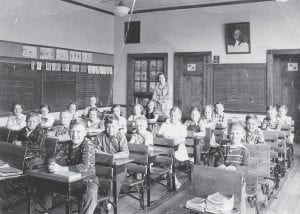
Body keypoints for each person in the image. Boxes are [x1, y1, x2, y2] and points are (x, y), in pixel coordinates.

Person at [47, 120, 98, 214]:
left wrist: (60, 169)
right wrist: (51, 164)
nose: (75, 135)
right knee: (45, 184)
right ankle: (45, 210)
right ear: (69, 132)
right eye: (72, 131)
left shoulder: (88, 144)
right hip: (71, 180)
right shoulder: (68, 144)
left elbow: (85, 167)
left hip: (88, 180)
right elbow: (54, 157)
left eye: (78, 132)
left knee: (91, 193)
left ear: (85, 133)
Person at [94, 115, 129, 200]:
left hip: (119, 167)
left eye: (113, 126)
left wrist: (113, 156)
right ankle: (102, 199)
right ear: (104, 126)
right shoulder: (100, 136)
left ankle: (111, 199)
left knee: (114, 184)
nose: (110, 129)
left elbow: (125, 152)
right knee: (97, 181)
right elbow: (95, 150)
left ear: (118, 126)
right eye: (108, 127)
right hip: (104, 166)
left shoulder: (121, 136)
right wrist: (106, 156)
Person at [157, 106, 188, 189]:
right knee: (166, 154)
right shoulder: (165, 124)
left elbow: (182, 140)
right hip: (166, 148)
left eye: (175, 115)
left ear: (179, 116)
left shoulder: (181, 126)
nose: (173, 117)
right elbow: (159, 134)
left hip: (178, 150)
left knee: (170, 155)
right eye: (171, 115)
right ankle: (171, 176)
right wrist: (163, 135)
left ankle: (172, 178)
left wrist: (174, 141)